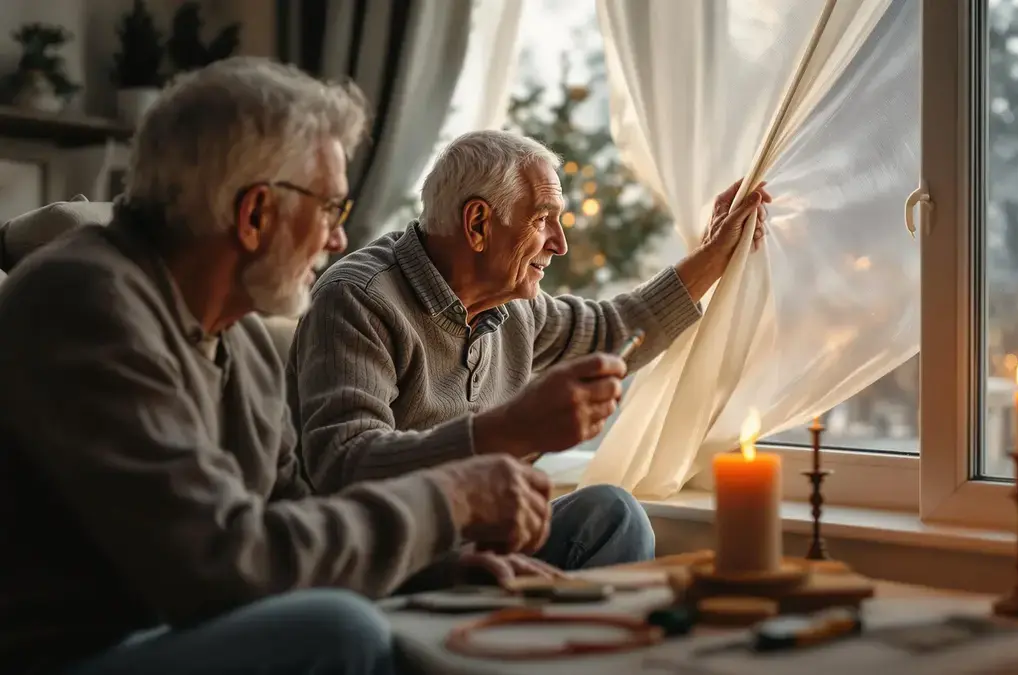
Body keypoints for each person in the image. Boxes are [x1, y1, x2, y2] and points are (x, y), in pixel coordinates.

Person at [0, 58, 558, 675]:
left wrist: (438, 567)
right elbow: (219, 561)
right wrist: (449, 499)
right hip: (75, 652)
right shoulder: (85, 303)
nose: (338, 241)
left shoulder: (236, 330)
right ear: (256, 213)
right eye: (331, 210)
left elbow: (286, 506)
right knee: (338, 632)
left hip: (180, 624)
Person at [288, 129, 770, 571]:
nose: (559, 244)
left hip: (481, 538)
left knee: (614, 515)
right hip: (381, 554)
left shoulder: (518, 309)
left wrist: (714, 255)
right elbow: (344, 464)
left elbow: (618, 328)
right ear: (477, 224)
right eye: (543, 220)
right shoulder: (358, 298)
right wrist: (506, 431)